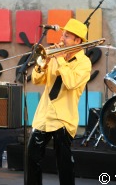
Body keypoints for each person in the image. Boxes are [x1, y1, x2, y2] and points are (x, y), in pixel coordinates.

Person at [27, 18, 92, 185]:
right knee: (31, 158)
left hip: (64, 118)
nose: (62, 39)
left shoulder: (84, 63)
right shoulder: (55, 56)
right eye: (62, 35)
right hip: (45, 114)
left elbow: (71, 82)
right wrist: (42, 64)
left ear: (77, 41)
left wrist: (61, 60)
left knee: (63, 163)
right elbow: (36, 80)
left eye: (67, 36)